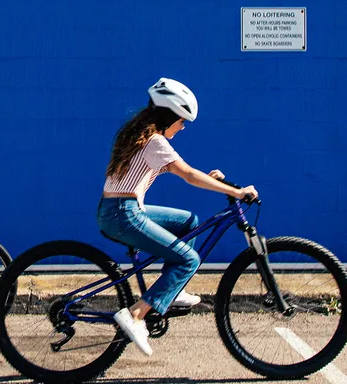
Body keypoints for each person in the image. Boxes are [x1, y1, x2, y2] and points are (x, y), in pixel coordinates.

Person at [97, 77, 259, 356]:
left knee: (188, 222)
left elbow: (188, 173)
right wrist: (239, 191)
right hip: (124, 213)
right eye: (181, 120)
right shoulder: (155, 141)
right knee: (188, 259)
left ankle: (172, 290)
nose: (183, 127)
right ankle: (136, 314)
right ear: (169, 116)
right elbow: (187, 174)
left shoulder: (140, 135)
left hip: (119, 210)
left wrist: (216, 182)